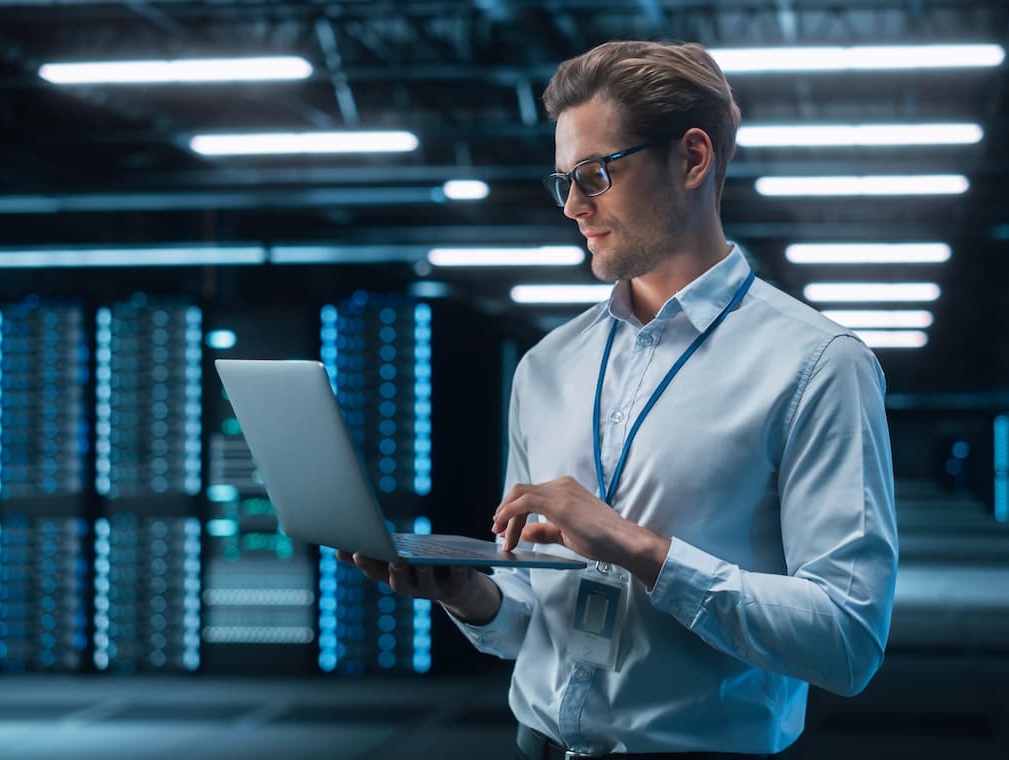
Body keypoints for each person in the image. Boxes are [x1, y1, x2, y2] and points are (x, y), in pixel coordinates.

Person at [339, 39, 898, 759]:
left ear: (692, 159)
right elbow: (531, 627)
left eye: (596, 174)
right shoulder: (548, 366)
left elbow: (847, 642)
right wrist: (469, 595)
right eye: (563, 180)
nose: (572, 206)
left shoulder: (817, 365)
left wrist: (639, 550)